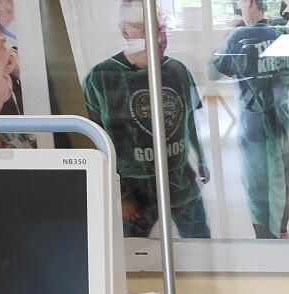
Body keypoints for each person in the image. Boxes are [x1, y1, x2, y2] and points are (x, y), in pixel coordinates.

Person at [83, 0, 211, 238]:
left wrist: (202, 159)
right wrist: (121, 195)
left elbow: (190, 121)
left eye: (161, 27)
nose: (158, 37)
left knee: (200, 239)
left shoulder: (178, 71)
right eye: (143, 28)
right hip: (134, 189)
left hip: (180, 180)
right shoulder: (102, 77)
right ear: (124, 31)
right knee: (133, 249)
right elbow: (93, 140)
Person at [210, 0, 289, 240]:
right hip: (281, 120)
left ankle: (264, 237)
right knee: (283, 175)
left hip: (254, 124)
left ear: (249, 4)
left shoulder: (240, 37)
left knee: (257, 182)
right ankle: (282, 229)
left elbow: (214, 71)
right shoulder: (284, 33)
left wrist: (227, 36)